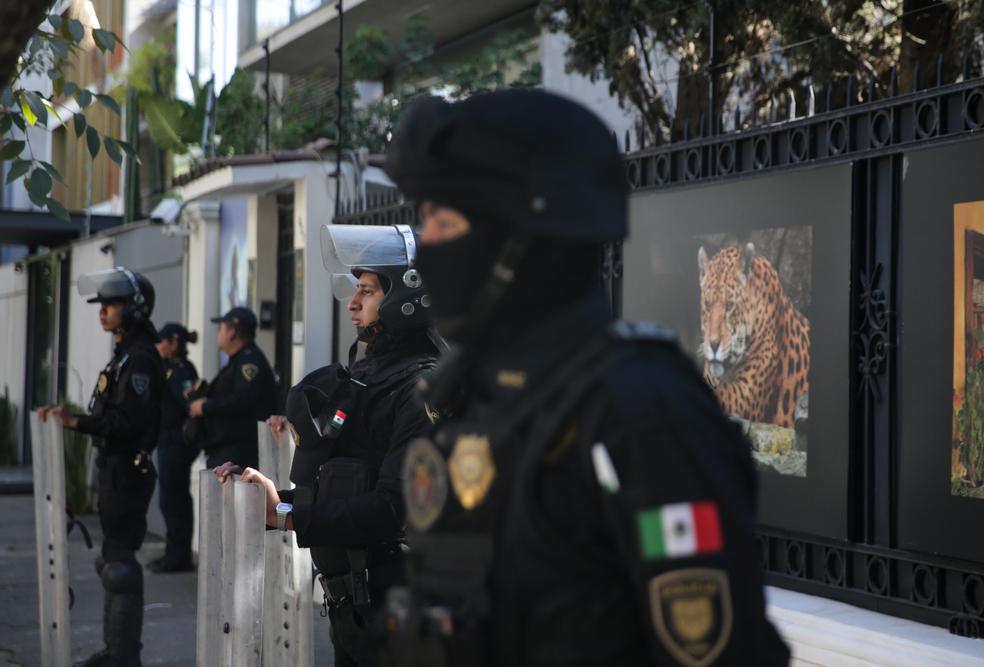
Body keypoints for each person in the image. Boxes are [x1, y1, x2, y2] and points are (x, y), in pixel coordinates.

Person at [377, 90, 791, 667]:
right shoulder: (480, 398)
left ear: (522, 242)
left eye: (445, 222)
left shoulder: (642, 412)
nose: (426, 253)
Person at [214, 224, 439, 667]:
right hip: (353, 611)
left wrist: (287, 516)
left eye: (368, 291)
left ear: (405, 298)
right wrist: (271, 500)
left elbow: (393, 509)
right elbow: (341, 493)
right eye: (356, 289)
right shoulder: (370, 379)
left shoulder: (421, 388)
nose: (353, 302)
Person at [39, 267, 163, 667]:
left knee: (120, 564)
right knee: (111, 561)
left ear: (134, 308)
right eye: (102, 304)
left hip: (127, 469)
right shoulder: (125, 356)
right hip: (113, 468)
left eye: (112, 304)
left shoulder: (141, 359)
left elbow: (128, 422)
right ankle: (116, 651)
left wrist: (77, 422)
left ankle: (123, 657)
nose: (103, 312)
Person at [189, 307, 276, 469]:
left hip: (237, 453)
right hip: (226, 451)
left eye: (221, 328)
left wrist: (206, 406)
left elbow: (244, 399)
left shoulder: (249, 361)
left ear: (232, 332)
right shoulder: (237, 361)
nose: (218, 333)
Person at [148, 323, 199, 574]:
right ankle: (173, 553)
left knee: (174, 500)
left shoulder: (181, 370)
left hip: (176, 441)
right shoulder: (168, 368)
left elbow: (189, 402)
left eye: (161, 342)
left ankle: (178, 557)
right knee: (169, 500)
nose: (158, 347)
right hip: (167, 440)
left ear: (174, 343)